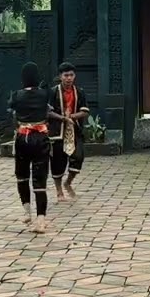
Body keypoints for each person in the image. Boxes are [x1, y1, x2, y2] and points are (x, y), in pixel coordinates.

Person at [10, 62, 51, 233]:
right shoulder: (44, 94)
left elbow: (12, 109)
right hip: (40, 137)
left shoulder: (16, 95)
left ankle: (27, 212)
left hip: (22, 137)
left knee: (22, 175)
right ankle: (41, 220)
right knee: (39, 178)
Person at [47, 62, 90, 201]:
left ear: (74, 76)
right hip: (57, 131)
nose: (69, 78)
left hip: (74, 129)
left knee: (78, 157)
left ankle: (68, 182)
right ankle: (59, 191)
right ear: (60, 76)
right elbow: (48, 112)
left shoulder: (80, 91)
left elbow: (84, 112)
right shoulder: (53, 92)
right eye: (66, 75)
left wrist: (71, 117)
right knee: (58, 161)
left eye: (71, 75)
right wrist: (63, 118)